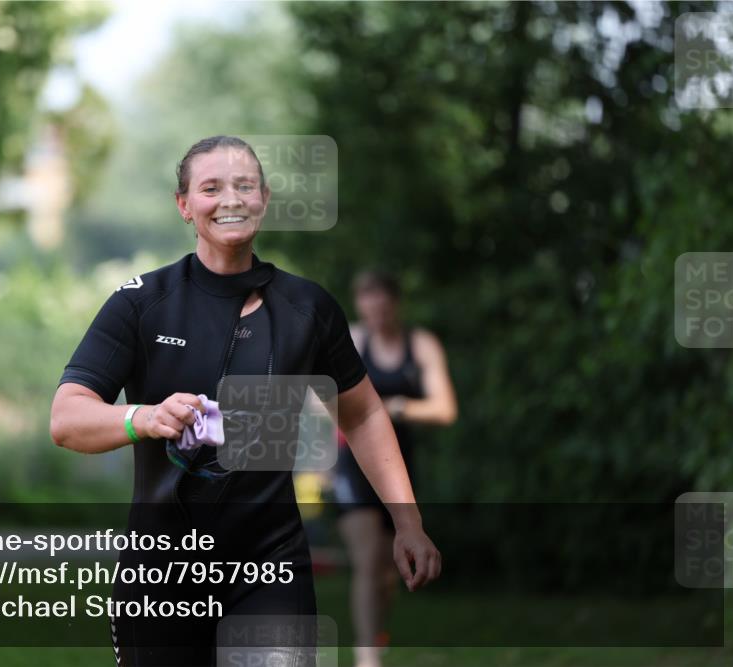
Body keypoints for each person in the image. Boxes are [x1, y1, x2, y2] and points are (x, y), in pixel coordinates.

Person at [50, 135, 441, 666]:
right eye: (210, 188)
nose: (230, 199)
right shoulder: (141, 303)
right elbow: (68, 417)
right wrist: (143, 417)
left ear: (265, 198)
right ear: (184, 205)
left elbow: (365, 412)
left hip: (269, 565)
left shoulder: (309, 308)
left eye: (244, 186)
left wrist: (408, 521)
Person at [334, 270, 458, 667]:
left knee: (390, 570)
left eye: (383, 302)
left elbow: (444, 409)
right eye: (368, 302)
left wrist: (394, 409)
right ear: (360, 305)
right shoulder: (351, 340)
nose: (376, 311)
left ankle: (376, 636)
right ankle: (367, 658)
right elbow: (323, 400)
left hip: (398, 466)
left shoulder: (420, 344)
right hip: (352, 463)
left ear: (395, 304)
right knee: (369, 557)